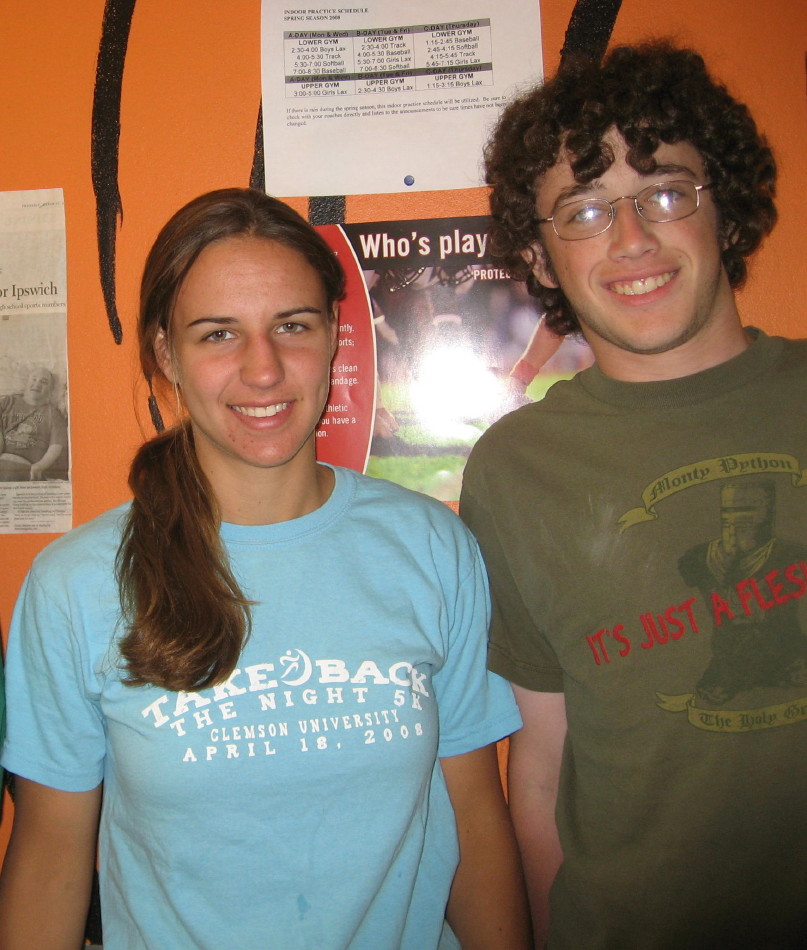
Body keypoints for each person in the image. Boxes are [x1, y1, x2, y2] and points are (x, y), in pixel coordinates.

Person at [0, 188, 530, 949]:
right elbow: (50, 857)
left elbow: (475, 814)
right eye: (219, 333)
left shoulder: (430, 547)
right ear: (165, 354)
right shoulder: (75, 585)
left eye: (292, 325)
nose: (264, 369)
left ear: (336, 335)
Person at [459, 41, 807, 949]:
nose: (631, 239)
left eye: (664, 192)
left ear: (725, 210)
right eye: (583, 211)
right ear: (539, 258)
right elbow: (540, 763)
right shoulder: (513, 468)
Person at [0, 367, 68, 481]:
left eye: (44, 382)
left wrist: (40, 467)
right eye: (34, 379)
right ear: (26, 383)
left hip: (28, 468)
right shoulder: (8, 401)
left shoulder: (53, 413)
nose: (37, 384)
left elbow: (56, 445)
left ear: (50, 390)